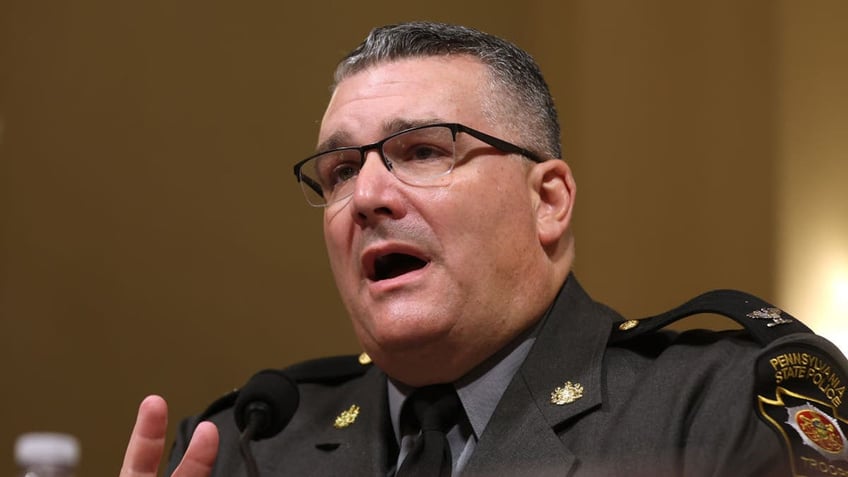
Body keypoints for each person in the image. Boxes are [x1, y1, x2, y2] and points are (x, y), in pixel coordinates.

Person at [120, 21, 848, 477]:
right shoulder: (248, 441)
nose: (368, 195)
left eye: (425, 150)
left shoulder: (722, 405)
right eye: (341, 169)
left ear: (549, 201)